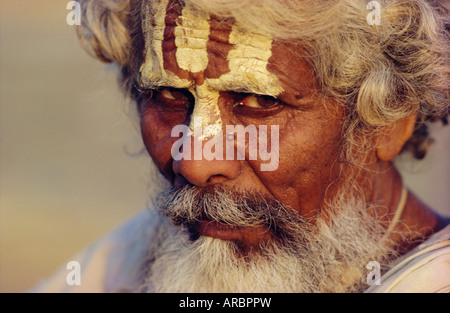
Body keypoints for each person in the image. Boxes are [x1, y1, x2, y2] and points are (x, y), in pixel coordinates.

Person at [34, 0, 449, 293]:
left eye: (258, 102)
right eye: (166, 95)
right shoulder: (128, 264)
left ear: (389, 122)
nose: (194, 162)